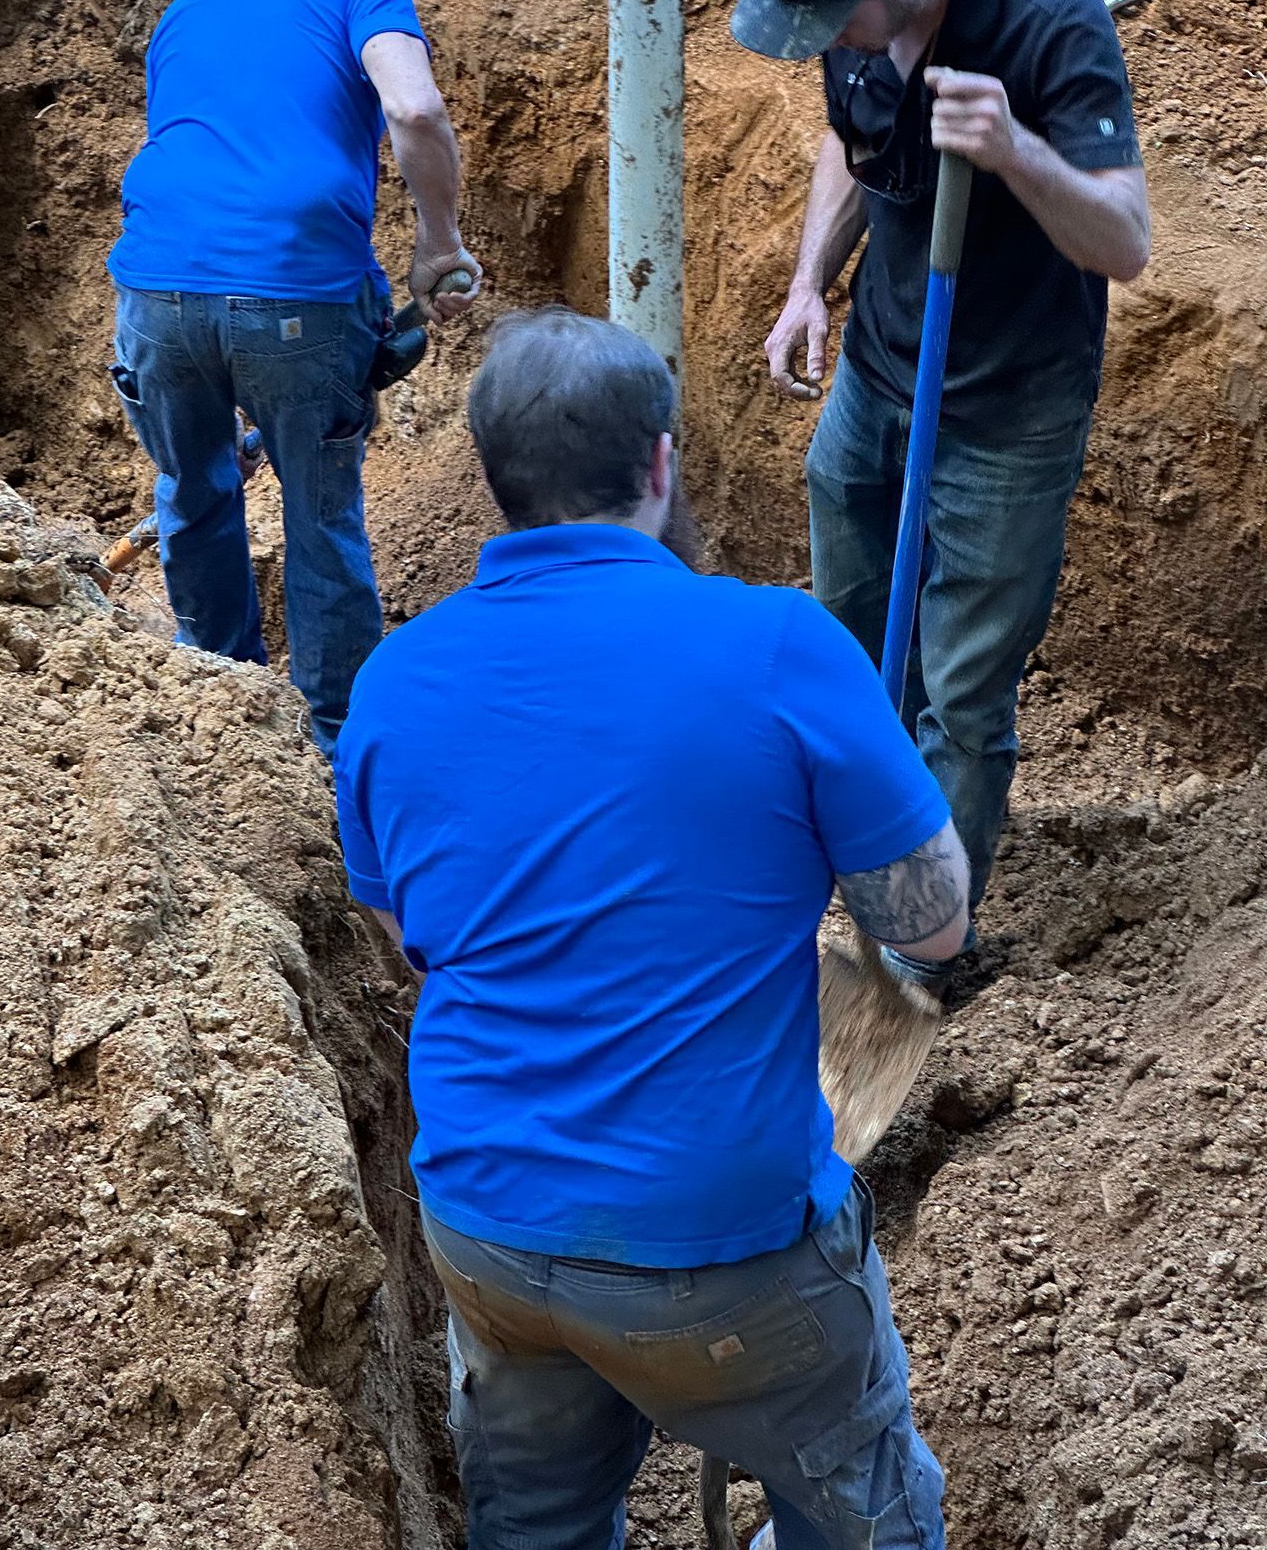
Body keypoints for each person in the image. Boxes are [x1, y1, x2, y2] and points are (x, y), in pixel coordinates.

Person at [336, 307, 970, 1550]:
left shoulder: (393, 680)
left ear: (496, 478)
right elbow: (933, 925)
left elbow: (413, 926)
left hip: (488, 1232)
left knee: (538, 1529)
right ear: (663, 462)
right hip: (729, 1252)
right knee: (866, 1515)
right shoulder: (779, 644)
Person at [734, 0, 1150, 989]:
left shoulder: (1049, 21)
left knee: (960, 695)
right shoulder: (858, 39)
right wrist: (809, 280)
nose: (824, 43)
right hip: (880, 376)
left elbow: (1126, 240)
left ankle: (922, 950)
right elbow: (850, 140)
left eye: (835, 17)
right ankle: (863, 843)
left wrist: (1015, 151)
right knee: (855, 638)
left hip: (1006, 416)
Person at [107, 0, 481, 754]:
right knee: (320, 519)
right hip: (298, 296)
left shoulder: (187, 6)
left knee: (195, 491)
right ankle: (336, 747)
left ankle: (221, 710)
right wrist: (438, 241)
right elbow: (415, 106)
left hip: (156, 293)